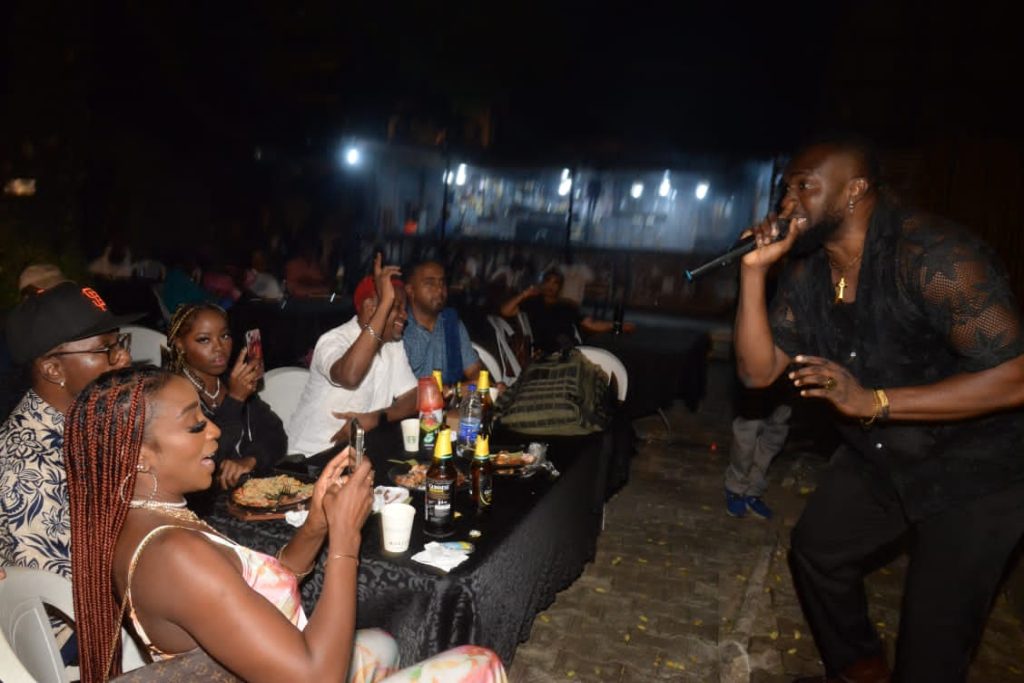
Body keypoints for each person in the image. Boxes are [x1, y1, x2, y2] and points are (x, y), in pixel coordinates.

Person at [733, 137, 1024, 682]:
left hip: (978, 470)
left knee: (931, 644)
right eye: (785, 188)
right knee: (818, 551)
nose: (787, 202)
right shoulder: (807, 271)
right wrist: (752, 274)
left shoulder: (935, 257)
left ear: (855, 191)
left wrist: (875, 401)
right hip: (887, 451)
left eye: (804, 187)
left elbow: (1016, 376)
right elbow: (758, 371)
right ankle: (861, 670)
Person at [63, 366, 507, 682]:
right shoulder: (173, 556)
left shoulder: (149, 517)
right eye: (195, 426)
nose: (214, 431)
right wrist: (345, 543)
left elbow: (254, 590)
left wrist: (317, 524)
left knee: (382, 644)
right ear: (139, 457)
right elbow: (316, 676)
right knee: (480, 664)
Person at [0, 282, 135, 577]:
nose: (123, 358)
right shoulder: (30, 473)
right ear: (53, 370)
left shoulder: (86, 419)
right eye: (106, 349)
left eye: (121, 343)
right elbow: (56, 594)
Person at [288, 254, 417, 456]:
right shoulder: (333, 341)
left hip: (358, 454)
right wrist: (385, 304)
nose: (405, 315)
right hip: (310, 457)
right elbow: (350, 376)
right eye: (396, 307)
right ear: (370, 308)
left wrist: (373, 418)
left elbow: (413, 397)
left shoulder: (393, 346)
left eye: (404, 308)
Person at [165, 303, 286, 489]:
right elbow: (200, 459)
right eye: (204, 340)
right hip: (202, 497)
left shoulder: (231, 382)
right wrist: (234, 400)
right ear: (180, 345)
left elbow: (276, 435)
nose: (219, 347)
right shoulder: (172, 394)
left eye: (225, 336)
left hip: (249, 489)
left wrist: (251, 460)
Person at [501, 269, 634, 356]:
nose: (551, 286)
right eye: (548, 281)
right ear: (542, 283)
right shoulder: (532, 302)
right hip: (543, 348)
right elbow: (505, 311)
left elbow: (589, 324)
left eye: (555, 283)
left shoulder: (567, 305)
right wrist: (524, 294)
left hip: (567, 345)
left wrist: (616, 326)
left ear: (560, 287)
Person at [403, 259, 482, 384]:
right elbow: (400, 389)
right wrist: (455, 390)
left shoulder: (451, 323)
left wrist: (486, 383)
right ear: (410, 290)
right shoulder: (400, 328)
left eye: (442, 283)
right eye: (430, 283)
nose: (440, 290)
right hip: (412, 396)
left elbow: (473, 370)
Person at [724, 379, 792, 519]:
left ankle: (753, 490)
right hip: (758, 377)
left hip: (789, 379)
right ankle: (735, 488)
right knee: (748, 431)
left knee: (776, 430)